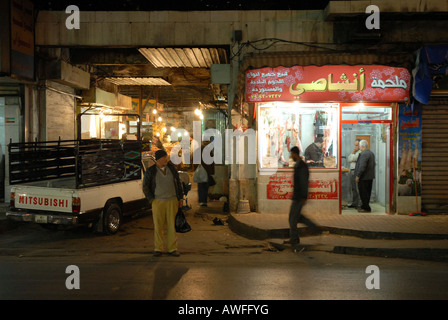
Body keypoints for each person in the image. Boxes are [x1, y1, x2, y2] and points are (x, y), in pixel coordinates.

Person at [142, 149, 184, 257]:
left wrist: (180, 198)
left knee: (171, 226)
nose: (166, 159)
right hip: (158, 201)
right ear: (158, 159)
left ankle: (172, 248)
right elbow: (145, 187)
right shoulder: (151, 171)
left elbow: (178, 184)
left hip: (172, 201)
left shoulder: (172, 169)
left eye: (166, 157)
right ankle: (158, 248)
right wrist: (151, 200)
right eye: (164, 157)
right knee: (158, 226)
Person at [286, 146, 318, 251]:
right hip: (297, 195)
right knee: (297, 216)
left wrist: (304, 196)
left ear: (295, 154)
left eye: (291, 154)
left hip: (299, 196)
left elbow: (304, 181)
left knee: (292, 218)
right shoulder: (299, 165)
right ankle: (313, 227)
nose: (291, 157)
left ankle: (295, 238)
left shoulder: (301, 166)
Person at [355, 140, 375, 213]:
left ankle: (366, 208)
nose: (359, 147)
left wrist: (358, 176)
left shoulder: (364, 154)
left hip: (364, 177)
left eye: (359, 146)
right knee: (367, 193)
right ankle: (365, 206)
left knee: (363, 193)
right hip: (369, 177)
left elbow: (362, 166)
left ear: (363, 146)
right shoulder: (371, 153)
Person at [347, 139, 361, 209]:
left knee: (357, 188)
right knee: (353, 188)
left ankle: (358, 204)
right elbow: (349, 159)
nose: (355, 147)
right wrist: (353, 152)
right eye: (354, 145)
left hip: (356, 171)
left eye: (356, 145)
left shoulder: (360, 152)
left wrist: (352, 155)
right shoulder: (355, 152)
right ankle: (354, 203)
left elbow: (354, 158)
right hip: (352, 171)